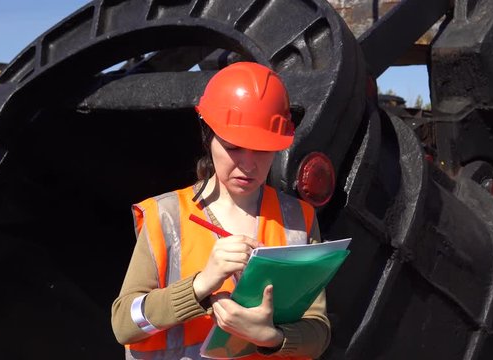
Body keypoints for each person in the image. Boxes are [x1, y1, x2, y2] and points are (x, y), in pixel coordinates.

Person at [111, 62, 330, 359]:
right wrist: (200, 285)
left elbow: (318, 333)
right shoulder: (165, 216)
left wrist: (271, 337)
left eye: (263, 149)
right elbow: (125, 323)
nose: (248, 165)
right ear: (208, 137)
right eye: (234, 147)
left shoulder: (298, 221)